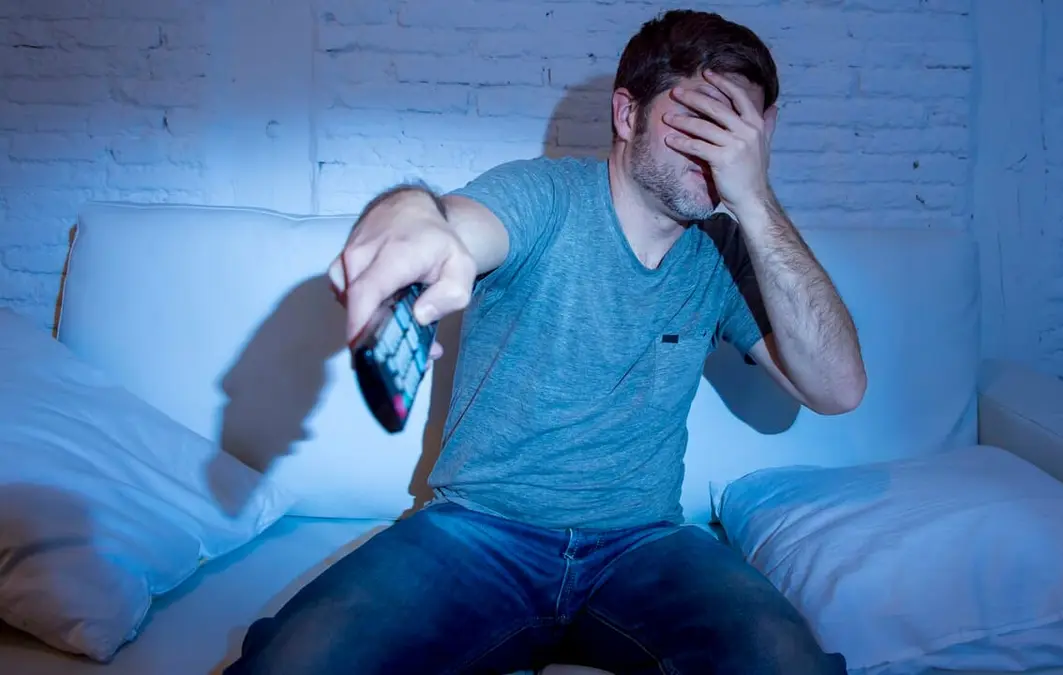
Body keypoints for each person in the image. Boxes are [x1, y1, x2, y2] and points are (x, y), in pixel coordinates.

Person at [225, 9, 866, 675]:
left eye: (737, 132)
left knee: (787, 662)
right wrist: (410, 216)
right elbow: (454, 223)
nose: (717, 151)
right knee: (296, 662)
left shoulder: (727, 251)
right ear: (628, 114)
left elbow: (839, 388)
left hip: (643, 548)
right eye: (699, 120)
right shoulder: (545, 195)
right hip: (479, 534)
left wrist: (756, 200)